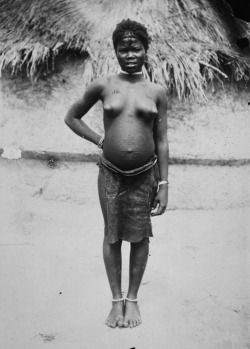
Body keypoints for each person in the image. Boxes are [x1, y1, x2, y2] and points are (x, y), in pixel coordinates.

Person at [64, 19, 169, 328]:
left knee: (140, 236)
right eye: (123, 49)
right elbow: (71, 117)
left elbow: (161, 140)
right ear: (115, 52)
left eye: (136, 48)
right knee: (112, 234)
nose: (130, 54)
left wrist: (164, 183)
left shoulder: (157, 91)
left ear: (146, 50)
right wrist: (100, 139)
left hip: (145, 174)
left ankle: (132, 300)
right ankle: (115, 301)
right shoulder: (103, 84)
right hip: (110, 173)